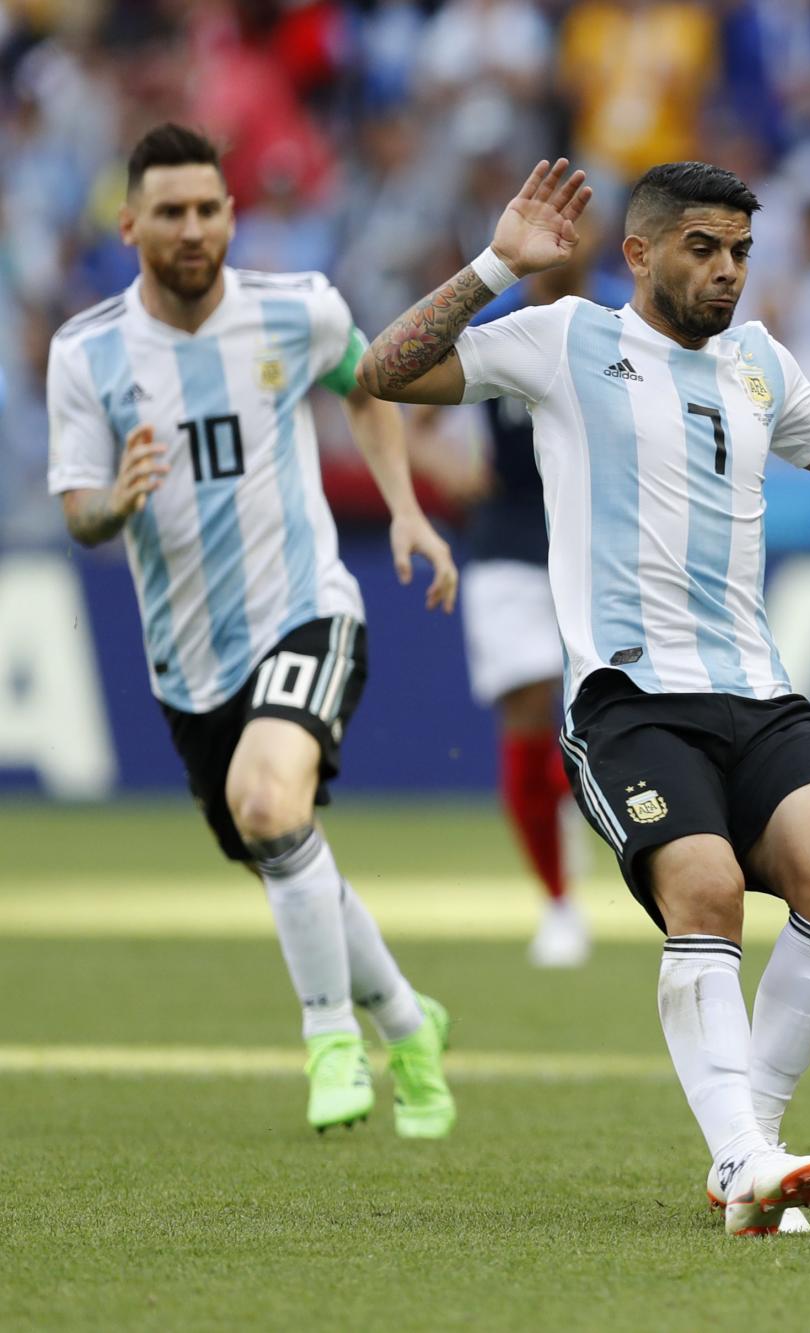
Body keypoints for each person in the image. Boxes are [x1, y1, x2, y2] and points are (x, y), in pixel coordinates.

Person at [356, 156, 810, 1236]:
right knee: (702, 890)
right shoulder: (566, 342)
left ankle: (751, 1151)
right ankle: (743, 1152)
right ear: (640, 253)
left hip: (755, 688)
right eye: (704, 248)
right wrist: (496, 264)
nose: (728, 271)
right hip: (628, 698)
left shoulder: (755, 361)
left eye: (741, 251)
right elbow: (385, 369)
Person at [45, 124, 461, 1137]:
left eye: (209, 209)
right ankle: (410, 1022)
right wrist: (118, 501)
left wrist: (406, 506)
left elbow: (369, 388)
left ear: (232, 214)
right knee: (285, 845)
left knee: (271, 805)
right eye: (172, 212)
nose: (193, 229)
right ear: (130, 221)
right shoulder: (87, 352)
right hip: (186, 662)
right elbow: (77, 510)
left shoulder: (296, 310)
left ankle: (331, 1041)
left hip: (305, 607)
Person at [413, 255, 604, 968]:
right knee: (525, 709)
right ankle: (558, 903)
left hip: (598, 542)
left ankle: (590, 808)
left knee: (612, 713)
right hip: (508, 541)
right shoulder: (498, 326)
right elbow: (412, 417)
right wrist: (451, 473)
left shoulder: (622, 323)